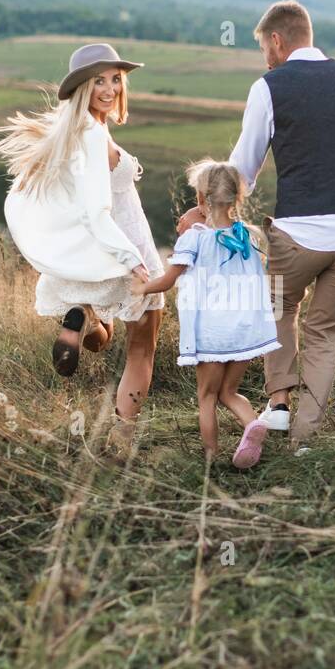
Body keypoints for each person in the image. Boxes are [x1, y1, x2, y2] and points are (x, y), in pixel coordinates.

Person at [179, 0, 335, 451]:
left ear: (276, 40)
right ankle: (304, 440)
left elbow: (243, 170)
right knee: (325, 334)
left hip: (299, 233)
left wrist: (209, 211)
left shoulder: (269, 86)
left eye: (263, 48)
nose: (264, 58)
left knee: (277, 304)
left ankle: (278, 403)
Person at [0, 43, 164, 452]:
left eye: (116, 79)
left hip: (93, 255)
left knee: (108, 321)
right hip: (122, 246)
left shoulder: (75, 129)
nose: (110, 88)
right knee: (142, 349)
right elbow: (96, 209)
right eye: (99, 81)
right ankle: (123, 440)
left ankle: (87, 321)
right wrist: (132, 260)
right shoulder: (89, 135)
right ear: (81, 89)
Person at [132, 159, 279, 467]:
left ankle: (212, 459)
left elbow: (168, 280)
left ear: (200, 199)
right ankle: (252, 425)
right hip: (245, 331)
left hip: (212, 335)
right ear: (238, 198)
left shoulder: (194, 238)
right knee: (230, 392)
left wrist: (142, 288)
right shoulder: (248, 239)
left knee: (207, 398)